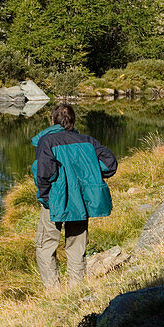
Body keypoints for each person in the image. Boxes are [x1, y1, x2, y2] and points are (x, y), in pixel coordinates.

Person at [31, 103, 117, 289]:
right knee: (77, 246)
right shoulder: (87, 140)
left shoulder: (47, 141)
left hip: (55, 202)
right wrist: (89, 175)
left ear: (52, 121)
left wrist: (45, 198)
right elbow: (110, 164)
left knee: (46, 246)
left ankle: (53, 292)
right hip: (80, 202)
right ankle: (76, 289)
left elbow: (44, 173)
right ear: (72, 122)